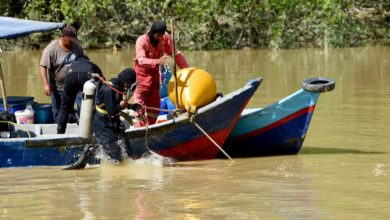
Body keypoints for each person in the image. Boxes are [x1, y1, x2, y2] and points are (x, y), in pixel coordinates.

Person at [133, 20, 189, 127]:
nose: (160, 38)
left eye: (161, 36)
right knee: (140, 114)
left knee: (154, 112)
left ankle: (152, 131)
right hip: (141, 81)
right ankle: (140, 132)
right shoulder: (142, 41)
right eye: (158, 36)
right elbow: (141, 60)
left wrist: (186, 70)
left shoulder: (165, 37)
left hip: (154, 81)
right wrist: (158, 61)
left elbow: (175, 53)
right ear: (152, 33)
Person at [93, 68, 141, 162]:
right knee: (117, 157)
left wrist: (133, 106)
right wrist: (124, 103)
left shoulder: (118, 87)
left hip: (113, 121)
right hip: (103, 124)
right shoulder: (109, 90)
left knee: (128, 150)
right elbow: (112, 111)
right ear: (126, 84)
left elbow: (116, 104)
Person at [39, 26, 84, 123]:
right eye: (70, 39)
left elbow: (83, 62)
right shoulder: (51, 49)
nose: (72, 42)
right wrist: (46, 84)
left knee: (82, 104)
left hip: (74, 85)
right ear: (63, 37)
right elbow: (43, 66)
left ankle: (81, 123)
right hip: (57, 86)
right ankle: (58, 131)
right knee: (57, 110)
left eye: (74, 39)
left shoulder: (77, 47)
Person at [57, 55, 103, 134]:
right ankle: (97, 130)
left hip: (71, 76)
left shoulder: (71, 65)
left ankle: (60, 133)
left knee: (64, 108)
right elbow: (103, 82)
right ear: (88, 60)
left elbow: (66, 79)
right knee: (95, 104)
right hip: (87, 75)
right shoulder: (92, 64)